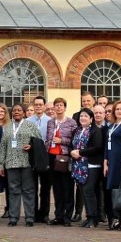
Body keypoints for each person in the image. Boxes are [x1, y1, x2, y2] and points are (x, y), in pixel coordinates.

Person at [0, 103, 41, 227]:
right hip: (11, 163)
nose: (16, 112)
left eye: (19, 110)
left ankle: (29, 217)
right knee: (13, 191)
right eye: (14, 110)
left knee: (28, 190)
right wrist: (1, 164)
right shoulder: (8, 127)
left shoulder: (30, 125)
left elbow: (39, 142)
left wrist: (31, 146)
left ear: (24, 112)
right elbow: (3, 146)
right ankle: (13, 217)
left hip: (26, 163)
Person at [70, 109, 104, 228]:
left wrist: (80, 152)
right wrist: (73, 152)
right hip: (79, 166)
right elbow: (71, 145)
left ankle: (94, 218)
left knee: (89, 191)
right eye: (81, 116)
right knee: (83, 192)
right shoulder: (77, 130)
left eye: (86, 116)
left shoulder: (96, 131)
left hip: (91, 165)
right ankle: (88, 216)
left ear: (91, 118)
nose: (83, 118)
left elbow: (97, 147)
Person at [46, 97, 78, 226]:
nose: (59, 107)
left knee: (67, 188)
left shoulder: (71, 122)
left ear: (65, 107)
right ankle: (58, 215)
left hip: (65, 157)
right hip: (52, 157)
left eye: (61, 105)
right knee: (57, 188)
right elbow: (48, 139)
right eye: (56, 105)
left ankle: (67, 217)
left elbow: (75, 141)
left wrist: (62, 141)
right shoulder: (50, 123)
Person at [104, 100, 121, 230]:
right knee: (113, 189)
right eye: (117, 109)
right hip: (112, 162)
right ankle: (115, 217)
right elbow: (107, 145)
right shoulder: (111, 126)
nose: (119, 111)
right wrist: (105, 161)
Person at [28, 95, 51, 223]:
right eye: (36, 104)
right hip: (32, 157)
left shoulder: (50, 121)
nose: (38, 106)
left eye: (40, 104)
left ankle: (45, 213)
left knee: (45, 188)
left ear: (44, 106)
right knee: (33, 187)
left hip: (46, 157)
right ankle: (34, 213)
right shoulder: (28, 121)